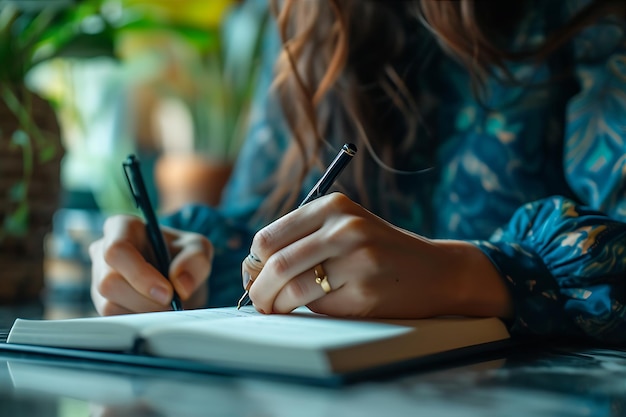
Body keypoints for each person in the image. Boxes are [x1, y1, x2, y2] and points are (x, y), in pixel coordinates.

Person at [90, 0, 626, 344]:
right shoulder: (315, 18)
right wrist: (182, 262)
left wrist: (464, 275)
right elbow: (267, 226)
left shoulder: (589, 16)